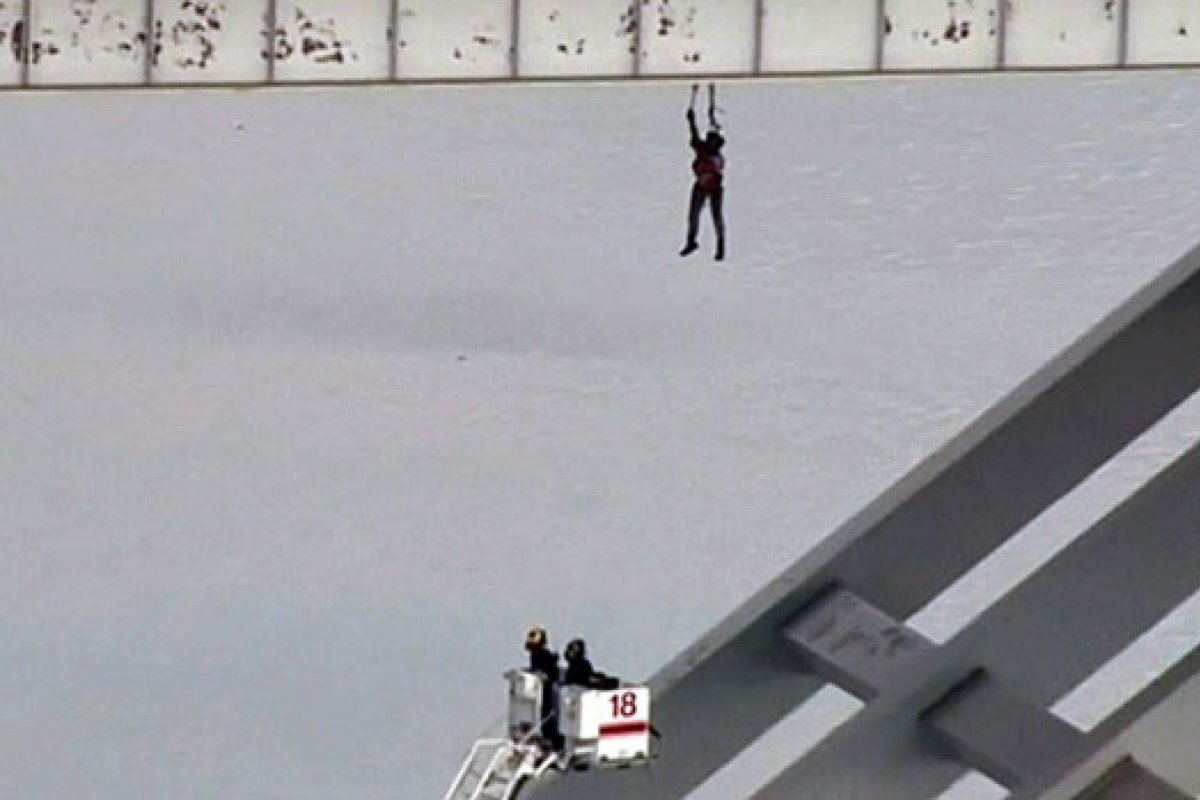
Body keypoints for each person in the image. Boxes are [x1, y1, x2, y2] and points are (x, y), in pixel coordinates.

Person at [680, 105, 726, 261]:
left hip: (714, 189)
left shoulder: (716, 158)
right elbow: (694, 135)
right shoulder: (702, 150)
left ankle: (720, 247)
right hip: (700, 186)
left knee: (716, 216)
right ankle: (691, 242)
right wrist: (691, 121)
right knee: (693, 215)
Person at [524, 626, 564, 751]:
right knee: (545, 713)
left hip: (548, 689)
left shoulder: (542, 655)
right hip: (543, 690)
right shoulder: (538, 655)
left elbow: (550, 672)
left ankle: (551, 737)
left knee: (548, 713)